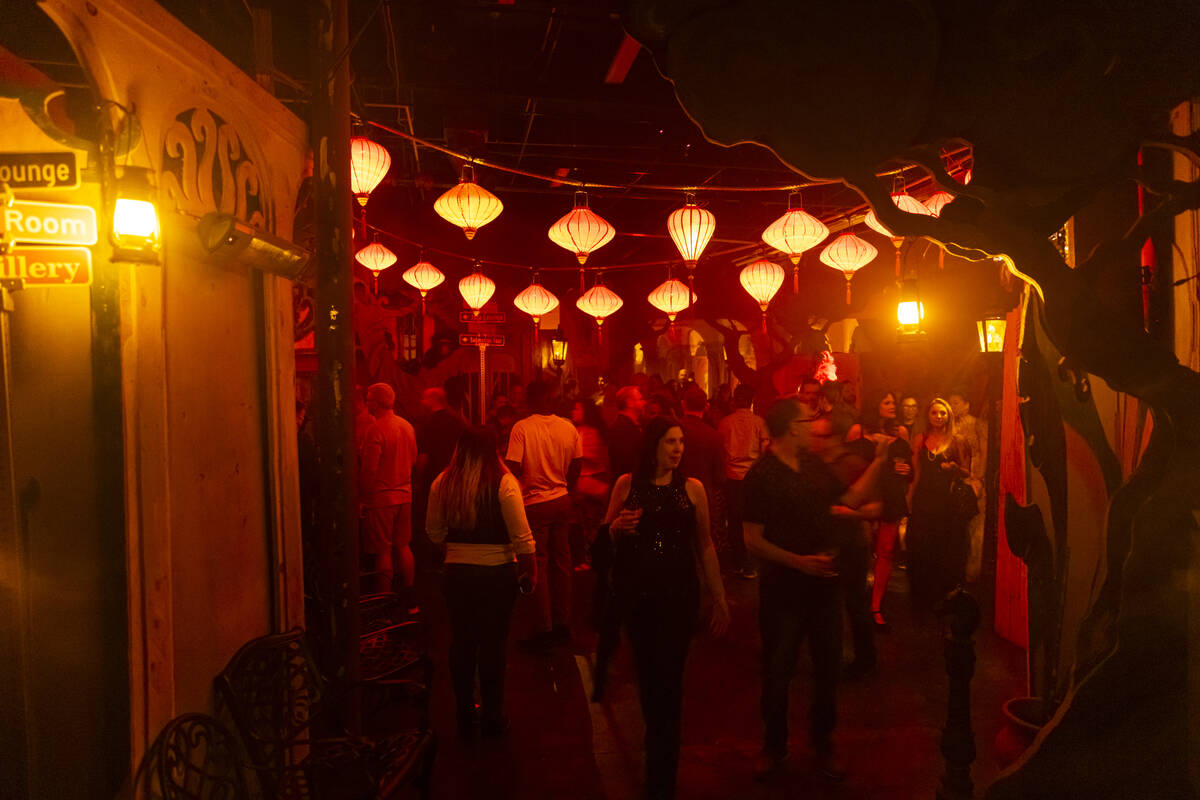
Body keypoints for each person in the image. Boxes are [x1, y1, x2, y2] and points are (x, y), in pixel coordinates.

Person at [744, 397, 888, 782]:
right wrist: (798, 561)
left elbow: (847, 499)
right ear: (792, 427)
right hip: (783, 593)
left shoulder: (811, 466)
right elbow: (752, 540)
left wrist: (879, 461)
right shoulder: (762, 475)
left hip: (824, 588)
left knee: (827, 670)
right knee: (778, 672)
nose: (814, 427)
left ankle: (822, 744)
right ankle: (773, 748)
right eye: (808, 421)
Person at [602, 416, 730, 800]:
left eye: (681, 442)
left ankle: (662, 778)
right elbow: (603, 539)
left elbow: (704, 545)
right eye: (670, 442)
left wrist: (719, 596)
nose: (678, 449)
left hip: (678, 596)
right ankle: (655, 737)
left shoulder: (692, 489)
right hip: (639, 598)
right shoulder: (628, 486)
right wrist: (615, 529)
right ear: (654, 445)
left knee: (670, 682)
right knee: (649, 679)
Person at [426, 426, 537, 737]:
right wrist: (532, 570)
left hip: (457, 573)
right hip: (497, 572)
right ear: (494, 451)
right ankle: (492, 712)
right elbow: (522, 537)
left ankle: (464, 711)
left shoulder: (442, 482)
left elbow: (433, 531)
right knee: (493, 644)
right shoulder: (504, 483)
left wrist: (454, 551)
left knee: (462, 642)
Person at [505, 380, 582, 650]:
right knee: (562, 563)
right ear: (550, 398)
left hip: (535, 502)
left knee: (537, 564)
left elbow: (512, 466)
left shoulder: (522, 428)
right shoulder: (568, 427)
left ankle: (544, 629)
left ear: (529, 399)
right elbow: (577, 464)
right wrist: (565, 487)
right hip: (561, 499)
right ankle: (563, 623)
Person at [849, 391, 913, 633]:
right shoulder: (859, 431)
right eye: (886, 402)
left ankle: (875, 606)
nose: (892, 406)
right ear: (874, 405)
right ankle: (855, 599)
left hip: (891, 499)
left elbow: (911, 472)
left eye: (893, 402)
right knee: (861, 550)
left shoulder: (901, 433)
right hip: (865, 499)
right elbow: (848, 468)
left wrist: (905, 470)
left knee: (885, 553)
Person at [907, 397, 972, 616]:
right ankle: (920, 600)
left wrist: (953, 467)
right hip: (924, 500)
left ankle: (941, 599)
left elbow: (966, 472)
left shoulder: (958, 441)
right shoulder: (920, 438)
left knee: (942, 551)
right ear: (928, 416)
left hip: (946, 502)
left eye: (942, 413)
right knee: (920, 548)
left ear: (949, 416)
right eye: (934, 413)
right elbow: (916, 474)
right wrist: (908, 501)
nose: (938, 416)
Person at [359, 383, 419, 607]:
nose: (367, 404)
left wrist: (363, 499)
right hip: (405, 495)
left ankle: (382, 600)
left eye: (369, 399)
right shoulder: (407, 426)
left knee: (382, 552)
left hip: (382, 498)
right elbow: (413, 460)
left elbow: (369, 469)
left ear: (377, 402)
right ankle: (409, 592)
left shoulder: (376, 429)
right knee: (403, 545)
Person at [718, 383, 769, 578]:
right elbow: (765, 450)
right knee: (752, 520)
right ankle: (751, 563)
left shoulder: (725, 423)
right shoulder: (759, 423)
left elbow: (721, 451)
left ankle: (738, 562)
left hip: (732, 477)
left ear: (735, 400)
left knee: (734, 520)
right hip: (752, 477)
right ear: (752, 401)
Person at [948, 390, 986, 582]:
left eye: (956, 403)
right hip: (954, 479)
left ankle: (972, 573)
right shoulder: (949, 425)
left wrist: (979, 477)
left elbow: (984, 452)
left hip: (974, 479)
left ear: (966, 404)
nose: (952, 407)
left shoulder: (977, 424)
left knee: (975, 527)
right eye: (951, 403)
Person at [571, 399, 610, 570]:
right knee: (587, 524)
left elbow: (592, 457)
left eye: (577, 408)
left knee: (590, 524)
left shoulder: (589, 432)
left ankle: (591, 559)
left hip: (590, 484)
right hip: (586, 484)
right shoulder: (579, 430)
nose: (573, 411)